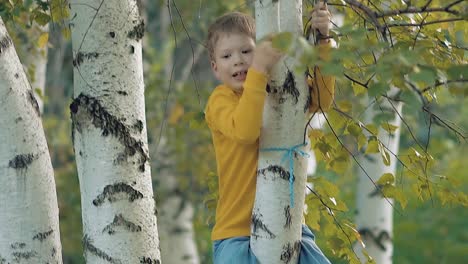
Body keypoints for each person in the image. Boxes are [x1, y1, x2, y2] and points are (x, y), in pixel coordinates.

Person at [204, 3, 335, 263]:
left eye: (246, 51)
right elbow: (245, 131)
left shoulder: (277, 90)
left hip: (290, 226)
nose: (238, 60)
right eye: (227, 56)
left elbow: (322, 100)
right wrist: (258, 71)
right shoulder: (220, 100)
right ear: (215, 67)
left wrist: (324, 41)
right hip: (236, 234)